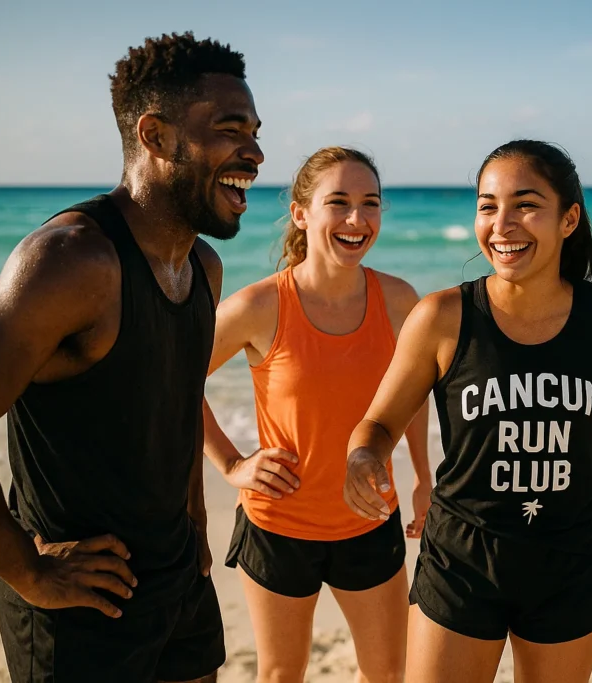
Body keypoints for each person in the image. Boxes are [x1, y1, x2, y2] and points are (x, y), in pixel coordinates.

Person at [342, 139, 592, 683]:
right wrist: (363, 454)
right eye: (488, 206)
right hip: (463, 558)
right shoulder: (442, 316)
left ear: (568, 219)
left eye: (526, 205)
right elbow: (380, 422)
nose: (502, 224)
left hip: (569, 561)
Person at [0, 32, 263, 682]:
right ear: (156, 136)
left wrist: (196, 522)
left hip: (178, 579)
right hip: (83, 599)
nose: (254, 153)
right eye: (232, 129)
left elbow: (174, 407)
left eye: (255, 131)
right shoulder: (68, 261)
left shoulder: (204, 266)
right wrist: (29, 569)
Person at [203, 146, 429, 683]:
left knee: (387, 674)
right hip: (277, 525)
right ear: (303, 214)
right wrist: (232, 464)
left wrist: (424, 476)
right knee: (282, 673)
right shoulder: (259, 306)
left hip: (371, 519)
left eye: (370, 203)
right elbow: (172, 383)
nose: (357, 219)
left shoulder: (400, 301)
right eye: (340, 202)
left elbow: (412, 394)